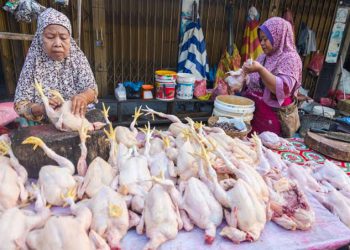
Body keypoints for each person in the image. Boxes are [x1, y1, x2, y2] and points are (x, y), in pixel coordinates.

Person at [14, 8, 98, 124]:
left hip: (80, 119)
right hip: (48, 125)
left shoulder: (76, 57)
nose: (58, 44)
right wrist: (42, 108)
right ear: (40, 38)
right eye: (50, 37)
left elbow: (92, 90)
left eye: (63, 38)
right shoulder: (33, 62)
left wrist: (83, 97)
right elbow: (20, 105)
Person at [242, 17, 302, 136]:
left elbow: (283, 88)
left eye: (266, 39)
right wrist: (243, 77)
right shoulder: (263, 57)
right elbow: (254, 82)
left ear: (278, 37)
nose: (262, 43)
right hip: (255, 115)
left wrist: (260, 69)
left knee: (268, 150)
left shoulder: (290, 58)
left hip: (273, 119)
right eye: (261, 39)